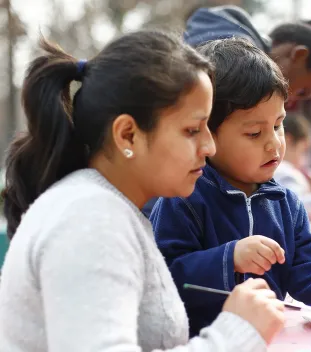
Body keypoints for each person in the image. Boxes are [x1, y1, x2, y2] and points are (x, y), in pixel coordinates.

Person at [0, 31, 285, 351]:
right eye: (192, 129)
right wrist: (237, 331)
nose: (209, 145)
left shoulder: (107, 209)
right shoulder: (89, 221)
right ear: (128, 136)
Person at [151, 37, 311, 337]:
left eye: (278, 125)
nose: (274, 142)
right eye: (254, 132)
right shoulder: (183, 198)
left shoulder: (283, 202)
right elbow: (162, 281)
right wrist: (228, 257)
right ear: (208, 134)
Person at [184, 5, 311, 102]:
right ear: (298, 55)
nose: (290, 100)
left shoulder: (225, 27)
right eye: (302, 91)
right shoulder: (242, 61)